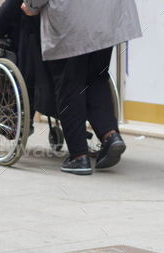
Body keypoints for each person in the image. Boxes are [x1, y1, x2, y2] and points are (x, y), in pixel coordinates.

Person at [22, 0, 141, 175]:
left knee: (69, 83)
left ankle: (79, 156)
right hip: (107, 16)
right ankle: (110, 135)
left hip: (71, 19)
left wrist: (31, 5)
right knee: (96, 77)